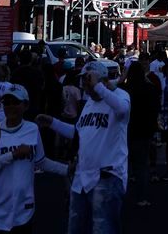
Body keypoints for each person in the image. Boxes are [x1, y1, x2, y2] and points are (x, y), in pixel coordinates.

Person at [46, 61, 130, 234]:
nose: (84, 84)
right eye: (83, 80)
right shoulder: (89, 104)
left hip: (107, 175)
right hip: (82, 176)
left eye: (88, 79)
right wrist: (52, 123)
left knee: (104, 228)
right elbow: (78, 133)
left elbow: (122, 110)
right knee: (76, 228)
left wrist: (99, 87)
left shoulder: (120, 96)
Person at [0, 84, 67, 234]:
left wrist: (67, 170)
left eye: (15, 102)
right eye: (7, 102)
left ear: (26, 105)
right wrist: (12, 155)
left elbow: (40, 161)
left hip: (23, 213)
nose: (10, 106)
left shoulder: (32, 129)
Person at [122, 61, 158, 207]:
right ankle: (141, 197)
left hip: (126, 129)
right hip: (144, 130)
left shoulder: (125, 89)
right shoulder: (150, 88)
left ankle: (121, 193)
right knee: (141, 165)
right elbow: (155, 109)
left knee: (123, 164)